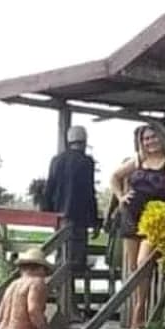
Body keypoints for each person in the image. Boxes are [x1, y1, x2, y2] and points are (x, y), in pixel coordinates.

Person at [110, 122, 165, 327]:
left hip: (155, 221)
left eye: (153, 136)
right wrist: (121, 196)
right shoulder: (138, 159)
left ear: (162, 137)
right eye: (145, 139)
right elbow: (114, 176)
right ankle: (139, 313)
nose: (150, 141)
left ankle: (139, 311)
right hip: (131, 217)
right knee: (134, 269)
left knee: (143, 263)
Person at [42, 125, 100, 294]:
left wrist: (47, 215)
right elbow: (89, 192)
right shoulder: (86, 162)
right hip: (78, 219)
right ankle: (68, 300)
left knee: (61, 256)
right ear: (84, 141)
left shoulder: (56, 160)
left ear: (69, 141)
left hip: (59, 217)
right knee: (74, 261)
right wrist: (94, 220)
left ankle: (61, 296)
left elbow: (49, 189)